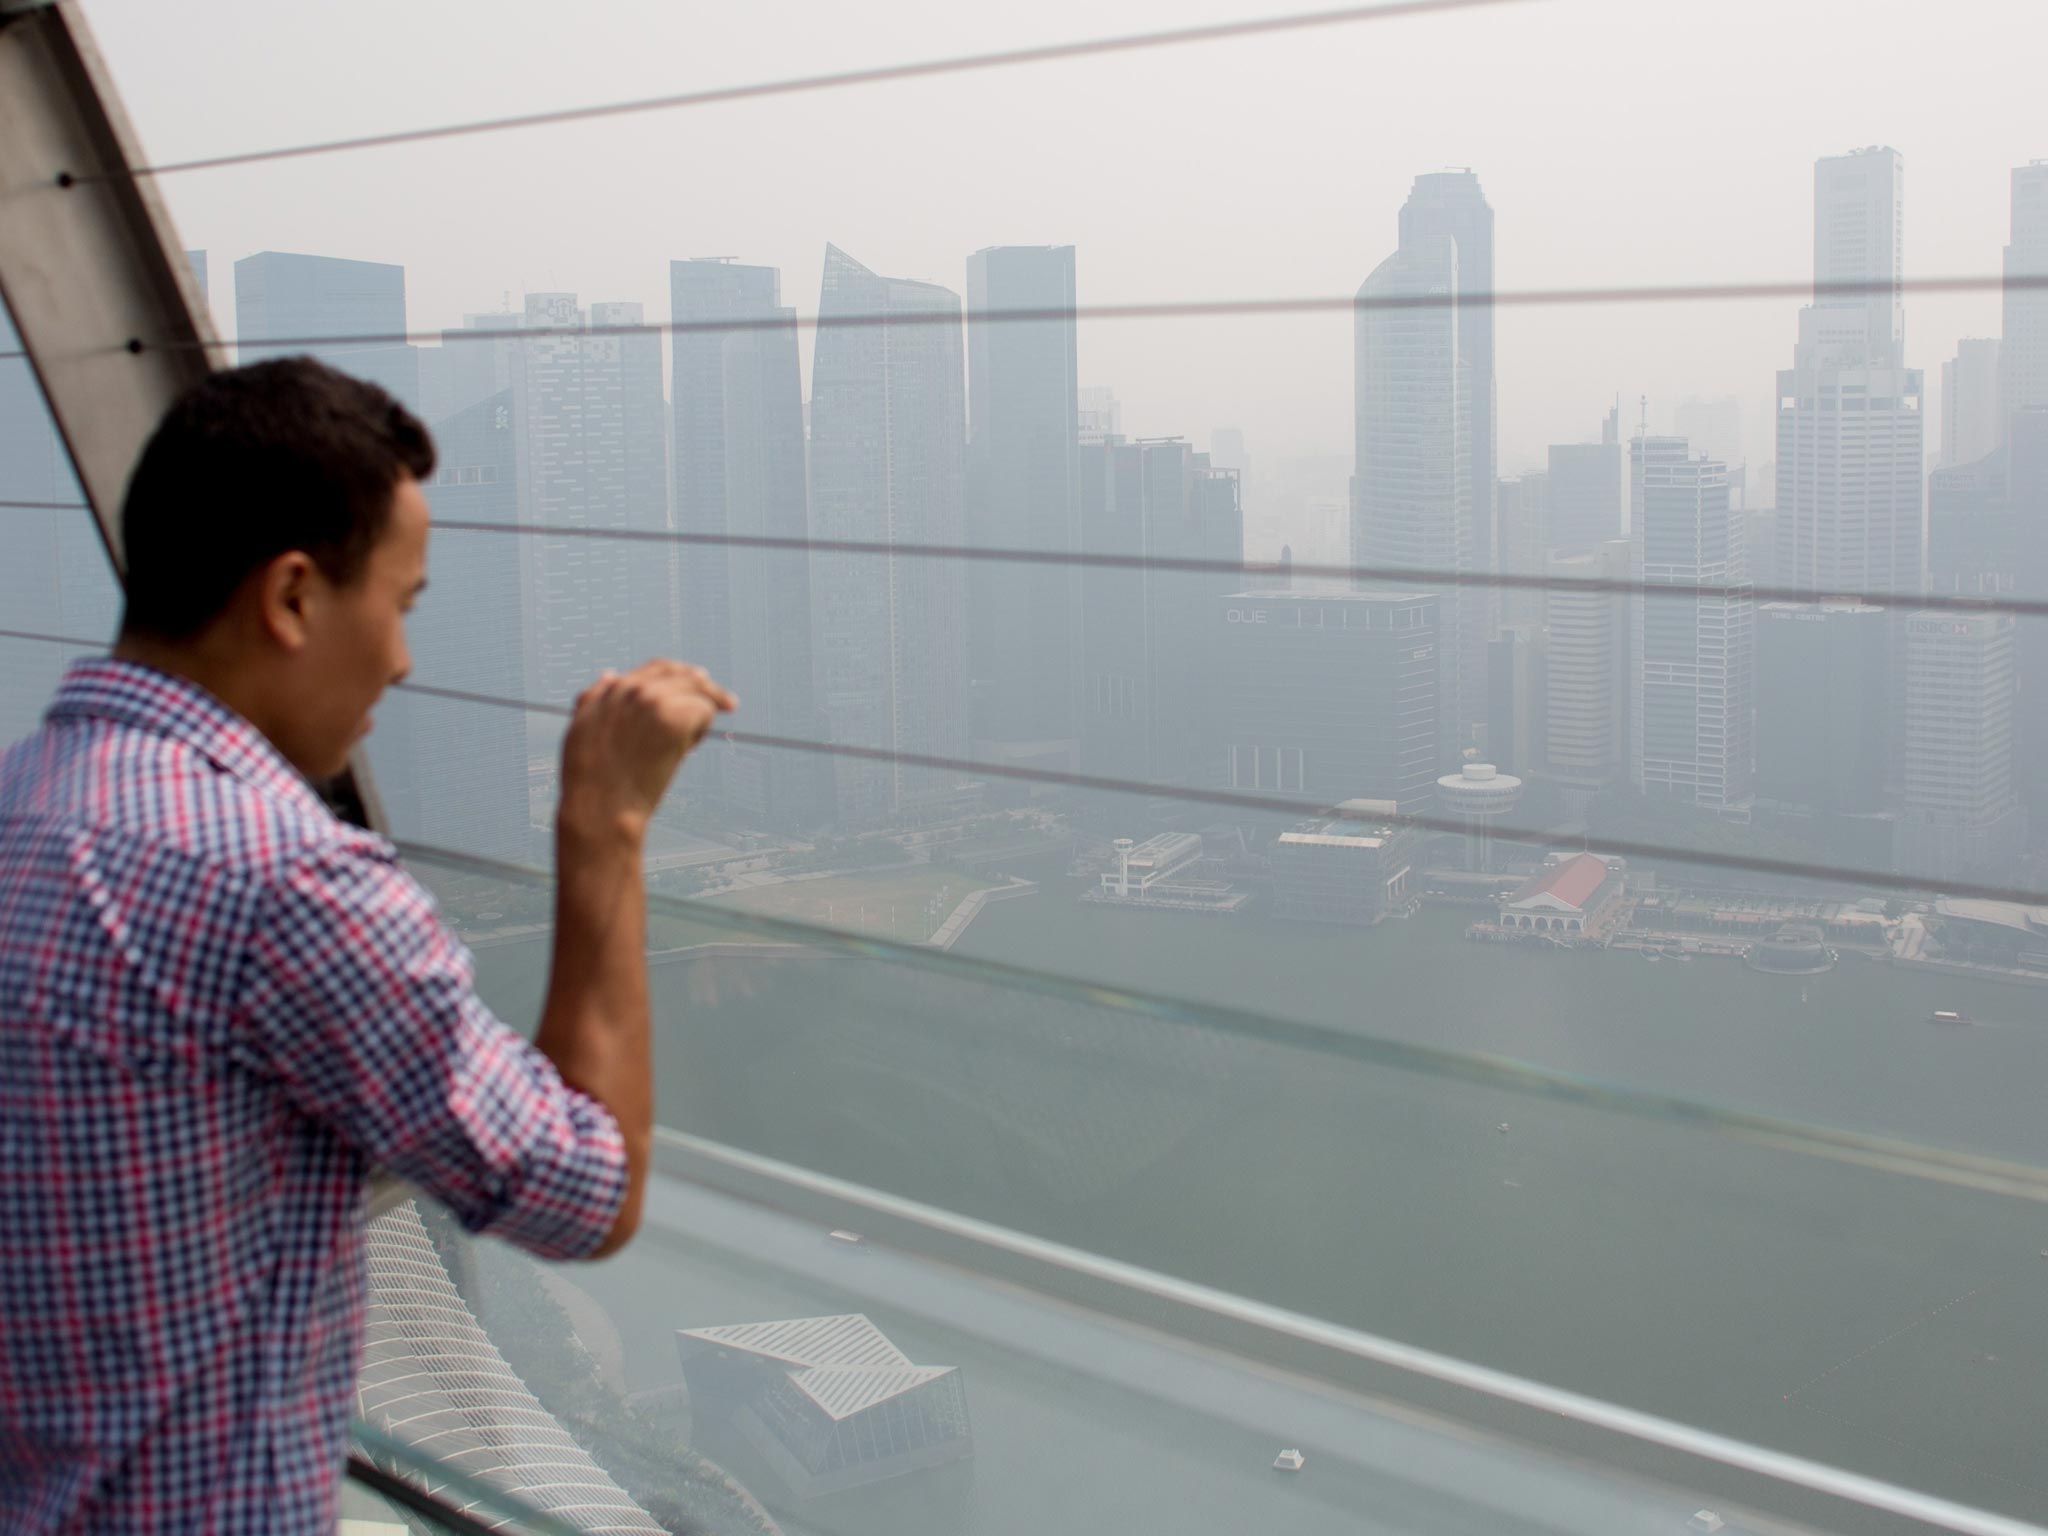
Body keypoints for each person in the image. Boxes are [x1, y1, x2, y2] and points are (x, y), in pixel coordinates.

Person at [0, 357, 734, 1533]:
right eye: (399, 603)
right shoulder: (286, 879)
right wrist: (605, 829)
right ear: (292, 597)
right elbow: (580, 1190)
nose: (399, 658)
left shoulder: (24, 800)